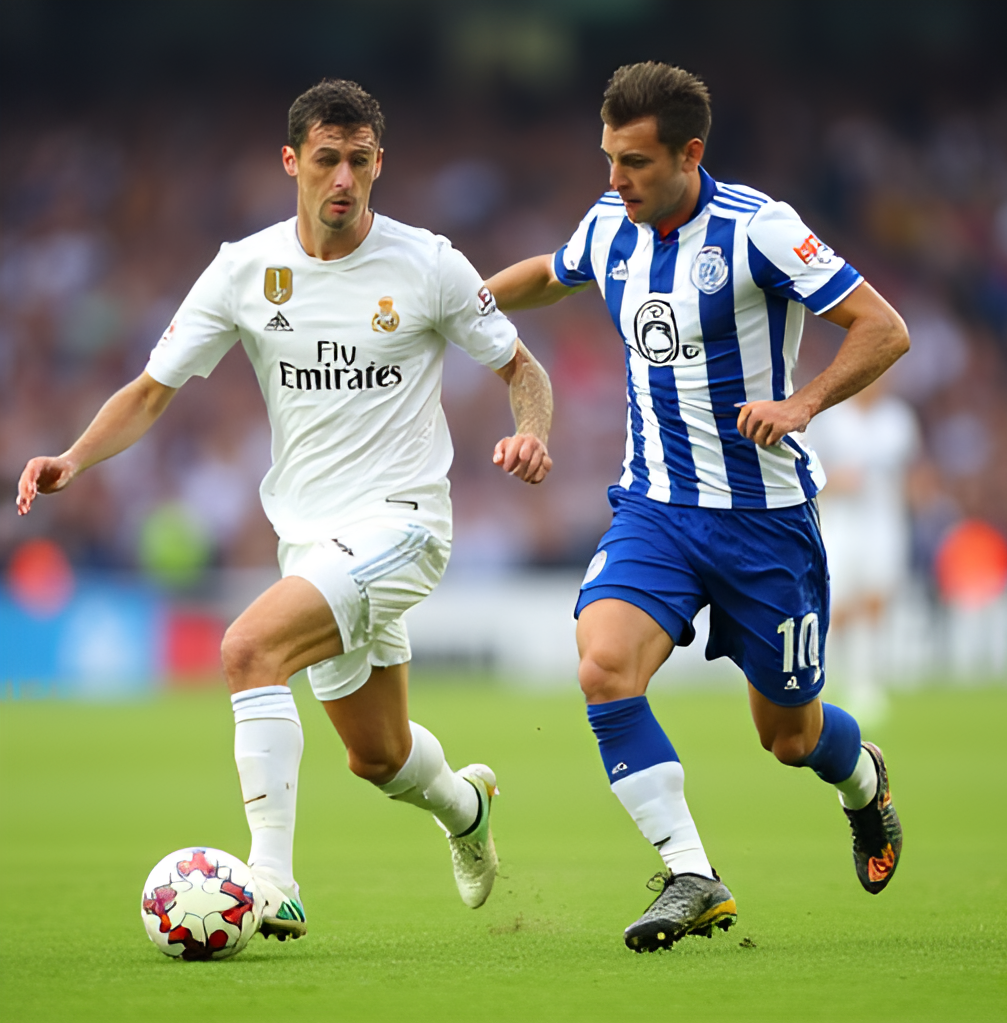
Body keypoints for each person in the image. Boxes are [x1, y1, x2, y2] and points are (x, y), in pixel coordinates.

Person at [16, 79, 553, 941]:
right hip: (308, 538)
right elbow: (153, 391)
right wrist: (74, 456)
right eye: (326, 159)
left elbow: (523, 369)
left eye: (359, 160)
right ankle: (467, 809)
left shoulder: (429, 264)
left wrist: (531, 434)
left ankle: (271, 882)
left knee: (247, 649)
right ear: (292, 162)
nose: (342, 177)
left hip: (404, 521)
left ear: (381, 163)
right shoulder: (244, 269)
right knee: (376, 757)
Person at [485, 62, 909, 952]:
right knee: (602, 668)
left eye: (634, 162)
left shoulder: (761, 230)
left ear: (690, 154)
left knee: (788, 737)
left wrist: (801, 406)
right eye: (608, 158)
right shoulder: (610, 225)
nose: (615, 180)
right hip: (656, 511)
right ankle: (691, 873)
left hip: (766, 524)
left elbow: (883, 327)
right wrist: (461, 301)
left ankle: (862, 781)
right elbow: (552, 275)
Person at [806, 376, 921, 725]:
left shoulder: (898, 420)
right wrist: (836, 481)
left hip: (884, 523)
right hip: (841, 521)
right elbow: (810, 473)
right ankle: (827, 678)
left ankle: (864, 683)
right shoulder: (832, 420)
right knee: (836, 605)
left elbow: (911, 474)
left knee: (875, 601)